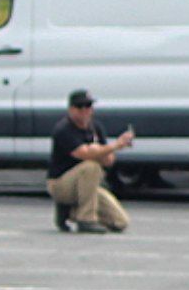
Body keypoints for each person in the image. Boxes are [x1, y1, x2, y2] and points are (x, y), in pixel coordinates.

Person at [46, 90, 133, 234]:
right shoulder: (64, 129)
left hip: (87, 186)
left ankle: (69, 211)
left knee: (120, 222)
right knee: (91, 166)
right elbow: (83, 154)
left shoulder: (95, 128)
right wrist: (116, 145)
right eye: (80, 107)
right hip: (60, 183)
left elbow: (109, 161)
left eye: (88, 106)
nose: (85, 111)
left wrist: (99, 150)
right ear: (71, 109)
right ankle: (85, 219)